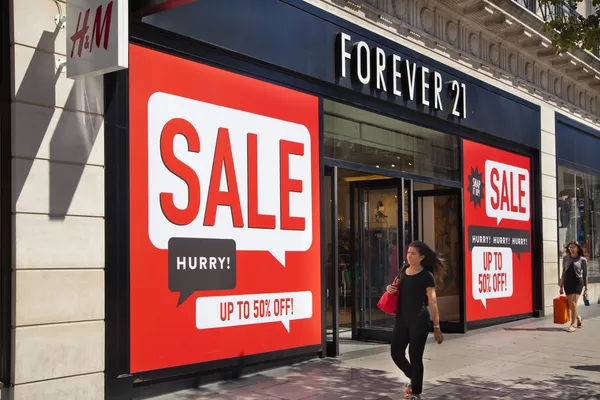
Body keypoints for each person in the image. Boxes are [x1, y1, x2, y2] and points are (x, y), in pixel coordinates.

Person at [386, 241, 446, 399]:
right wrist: (389, 288)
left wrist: (437, 326)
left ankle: (416, 392)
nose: (409, 256)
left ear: (421, 257)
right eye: (408, 253)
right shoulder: (404, 270)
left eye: (413, 253)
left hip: (419, 320)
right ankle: (413, 378)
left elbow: (432, 302)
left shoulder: (427, 275)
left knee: (415, 355)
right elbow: (394, 286)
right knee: (396, 352)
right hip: (402, 318)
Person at [559, 241, 588, 333]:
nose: (571, 249)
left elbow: (585, 275)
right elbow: (563, 272)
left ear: (578, 248)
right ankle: (578, 317)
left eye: (573, 247)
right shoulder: (565, 258)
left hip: (578, 282)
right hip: (568, 282)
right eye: (570, 247)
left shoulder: (582, 259)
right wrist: (561, 285)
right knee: (570, 304)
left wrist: (586, 288)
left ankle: (572, 325)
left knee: (574, 303)